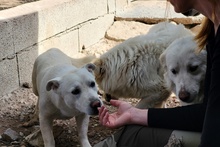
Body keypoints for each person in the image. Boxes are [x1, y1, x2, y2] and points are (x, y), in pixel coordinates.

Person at [95, 0, 220, 146]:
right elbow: (207, 113)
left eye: (193, 68)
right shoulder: (212, 28)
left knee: (131, 135)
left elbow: (211, 121)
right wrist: (134, 114)